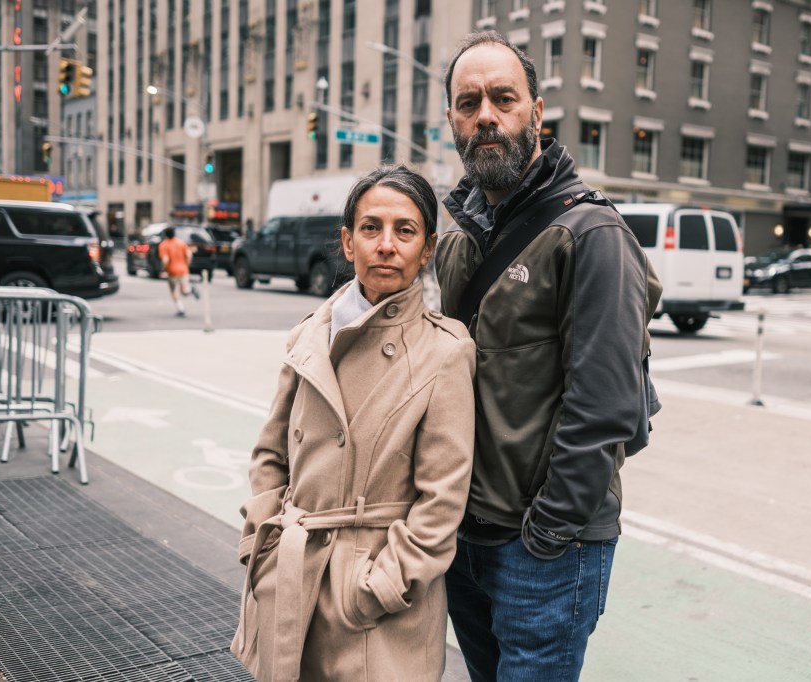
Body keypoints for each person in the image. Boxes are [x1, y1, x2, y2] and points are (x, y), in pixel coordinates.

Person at [435, 31, 661, 681]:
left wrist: (547, 536)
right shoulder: (461, 243)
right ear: (452, 121)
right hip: (463, 542)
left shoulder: (592, 235)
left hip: (544, 551)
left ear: (536, 114)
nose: (486, 115)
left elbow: (605, 407)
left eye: (503, 99)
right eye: (468, 102)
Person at [231, 165, 476, 682]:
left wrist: (376, 589)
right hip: (292, 578)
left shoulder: (446, 351)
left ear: (427, 249)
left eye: (404, 231)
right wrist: (263, 542)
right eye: (371, 228)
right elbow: (271, 453)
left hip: (373, 607)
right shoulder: (309, 334)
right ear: (347, 242)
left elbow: (442, 501)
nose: (386, 245)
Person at [157, 226, 198, 317]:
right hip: (183, 270)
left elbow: (165, 260)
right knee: (184, 291)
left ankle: (181, 309)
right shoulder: (181, 242)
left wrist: (163, 269)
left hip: (172, 272)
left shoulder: (163, 245)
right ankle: (190, 289)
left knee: (173, 291)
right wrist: (187, 265)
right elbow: (189, 254)